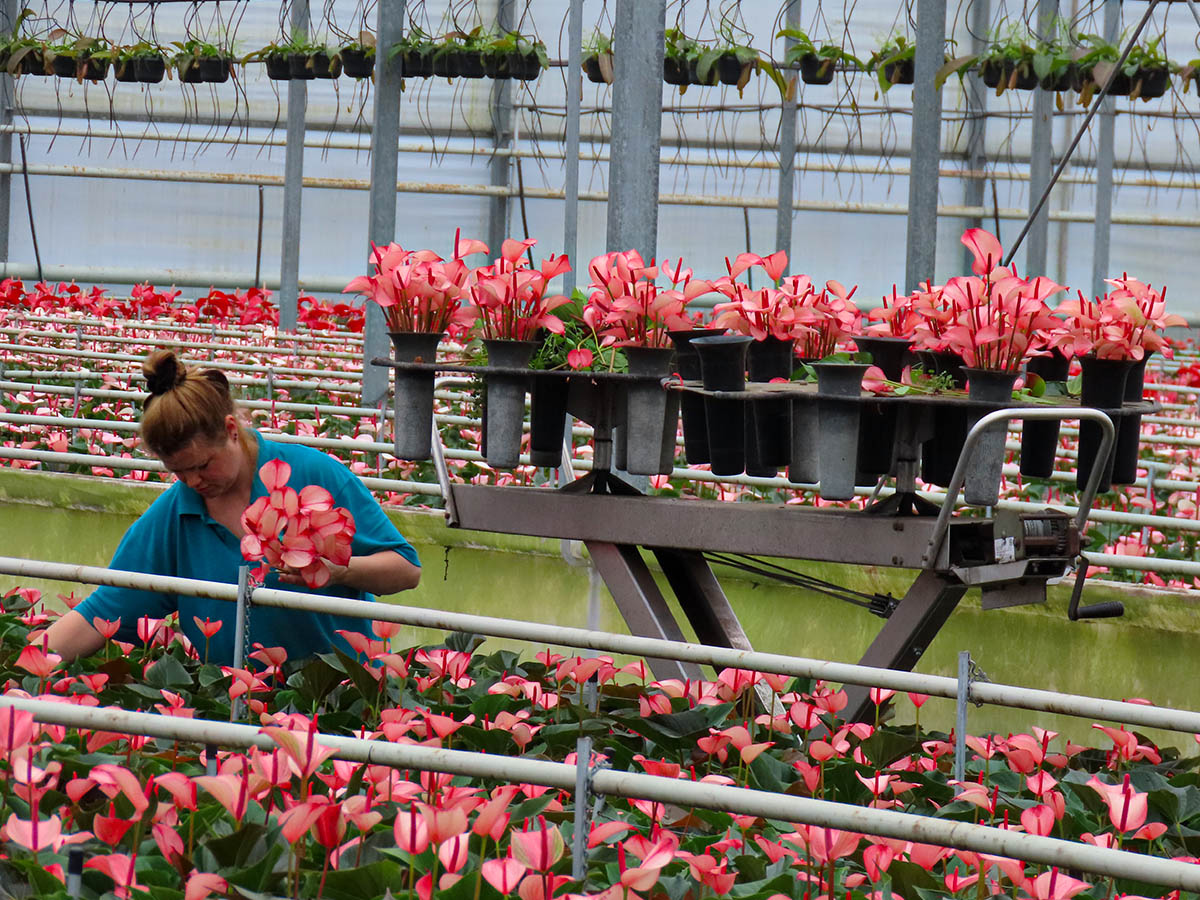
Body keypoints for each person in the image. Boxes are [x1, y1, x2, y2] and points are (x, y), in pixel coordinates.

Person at [44, 350, 421, 665]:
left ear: (230, 430)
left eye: (202, 465)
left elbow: (405, 571)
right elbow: (105, 609)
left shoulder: (314, 475)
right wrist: (24, 669)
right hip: (234, 703)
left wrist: (337, 570)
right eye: (178, 471)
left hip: (339, 695)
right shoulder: (176, 514)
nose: (193, 481)